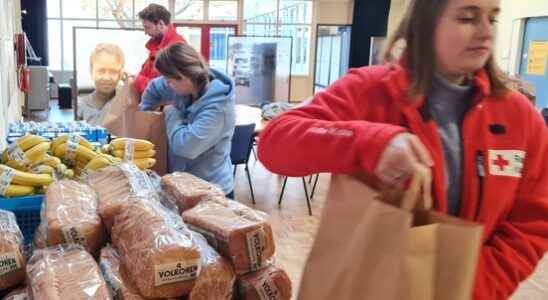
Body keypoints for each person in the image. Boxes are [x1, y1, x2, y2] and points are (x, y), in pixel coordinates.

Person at [257, 0, 548, 299]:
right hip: (365, 285)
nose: (486, 32)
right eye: (467, 18)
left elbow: (532, 221)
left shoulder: (520, 119)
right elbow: (275, 143)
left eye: (493, 18)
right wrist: (368, 141)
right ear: (426, 24)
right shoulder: (370, 90)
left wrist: (474, 285)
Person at [139, 42, 236, 198]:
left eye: (169, 80)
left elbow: (185, 148)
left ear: (184, 77)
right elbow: (154, 88)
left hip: (212, 192)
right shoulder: (186, 85)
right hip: (181, 187)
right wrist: (146, 113)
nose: (167, 85)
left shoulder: (219, 110)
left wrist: (170, 112)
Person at [134, 4, 186, 95]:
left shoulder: (175, 49)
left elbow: (165, 90)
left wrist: (135, 80)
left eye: (147, 27)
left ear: (161, 24)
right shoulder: (156, 46)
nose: (145, 32)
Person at [77, 43, 125, 125]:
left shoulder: (124, 103)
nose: (106, 77)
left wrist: (128, 81)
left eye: (113, 71)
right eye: (101, 71)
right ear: (91, 72)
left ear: (121, 74)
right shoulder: (79, 106)